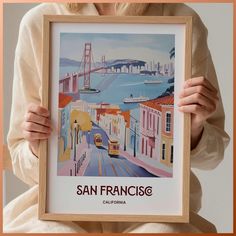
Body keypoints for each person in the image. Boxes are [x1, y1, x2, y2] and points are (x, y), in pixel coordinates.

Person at [4, 2, 230, 233]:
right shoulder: (38, 22)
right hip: (57, 209)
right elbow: (19, 156)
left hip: (159, 208)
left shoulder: (182, 19)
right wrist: (35, 145)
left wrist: (194, 130)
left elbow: (213, 157)